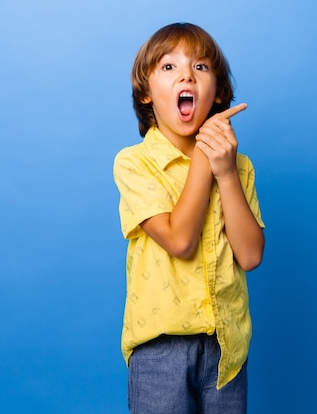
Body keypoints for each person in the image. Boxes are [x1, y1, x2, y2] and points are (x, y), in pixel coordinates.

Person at [113, 22, 265, 413]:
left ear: (219, 94)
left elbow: (249, 256)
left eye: (200, 67)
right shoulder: (135, 163)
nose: (186, 75)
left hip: (225, 351)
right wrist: (202, 156)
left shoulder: (239, 166)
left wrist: (226, 172)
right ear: (146, 93)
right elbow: (180, 241)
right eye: (169, 67)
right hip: (160, 351)